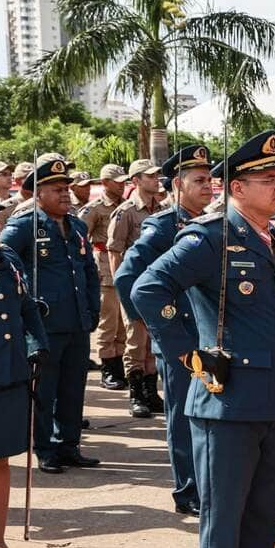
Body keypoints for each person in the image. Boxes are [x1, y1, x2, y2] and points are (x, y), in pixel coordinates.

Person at [132, 130, 275, 548]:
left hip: (273, 400)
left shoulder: (269, 238)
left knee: (262, 519)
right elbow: (146, 288)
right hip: (224, 405)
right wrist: (191, 355)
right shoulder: (209, 238)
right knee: (222, 521)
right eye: (267, 180)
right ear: (236, 188)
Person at [117, 146, 214, 516]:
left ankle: (205, 485)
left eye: (209, 180)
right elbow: (128, 277)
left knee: (205, 417)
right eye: (199, 180)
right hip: (179, 339)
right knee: (184, 416)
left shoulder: (208, 223)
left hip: (205, 338)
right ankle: (188, 490)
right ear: (178, 184)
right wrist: (155, 323)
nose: (207, 186)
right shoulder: (162, 226)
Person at [1, 158, 101, 474]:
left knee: (73, 387)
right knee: (45, 389)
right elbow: (4, 262)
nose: (65, 195)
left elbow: (88, 270)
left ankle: (69, 445)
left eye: (67, 189)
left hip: (76, 320)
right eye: (57, 190)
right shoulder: (24, 224)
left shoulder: (77, 225)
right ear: (39, 193)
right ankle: (45, 449)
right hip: (45, 322)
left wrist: (92, 308)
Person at [0, 201, 49, 548]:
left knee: (0, 460)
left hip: (7, 373)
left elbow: (26, 306)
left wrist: (37, 344)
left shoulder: (8, 259)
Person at [109, 158, 165, 418]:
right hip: (133, 286)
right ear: (136, 181)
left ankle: (151, 392)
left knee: (154, 340)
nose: (156, 179)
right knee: (135, 342)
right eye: (149, 176)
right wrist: (122, 288)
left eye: (156, 175)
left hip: (158, 287)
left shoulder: (162, 209)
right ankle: (136, 394)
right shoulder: (125, 212)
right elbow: (115, 253)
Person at [79, 164, 130, 390]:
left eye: (123, 181)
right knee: (108, 322)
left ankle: (119, 366)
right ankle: (108, 368)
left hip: (123, 265)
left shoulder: (126, 206)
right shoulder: (94, 209)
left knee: (122, 324)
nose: (122, 185)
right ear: (105, 183)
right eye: (117, 181)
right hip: (104, 268)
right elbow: (80, 238)